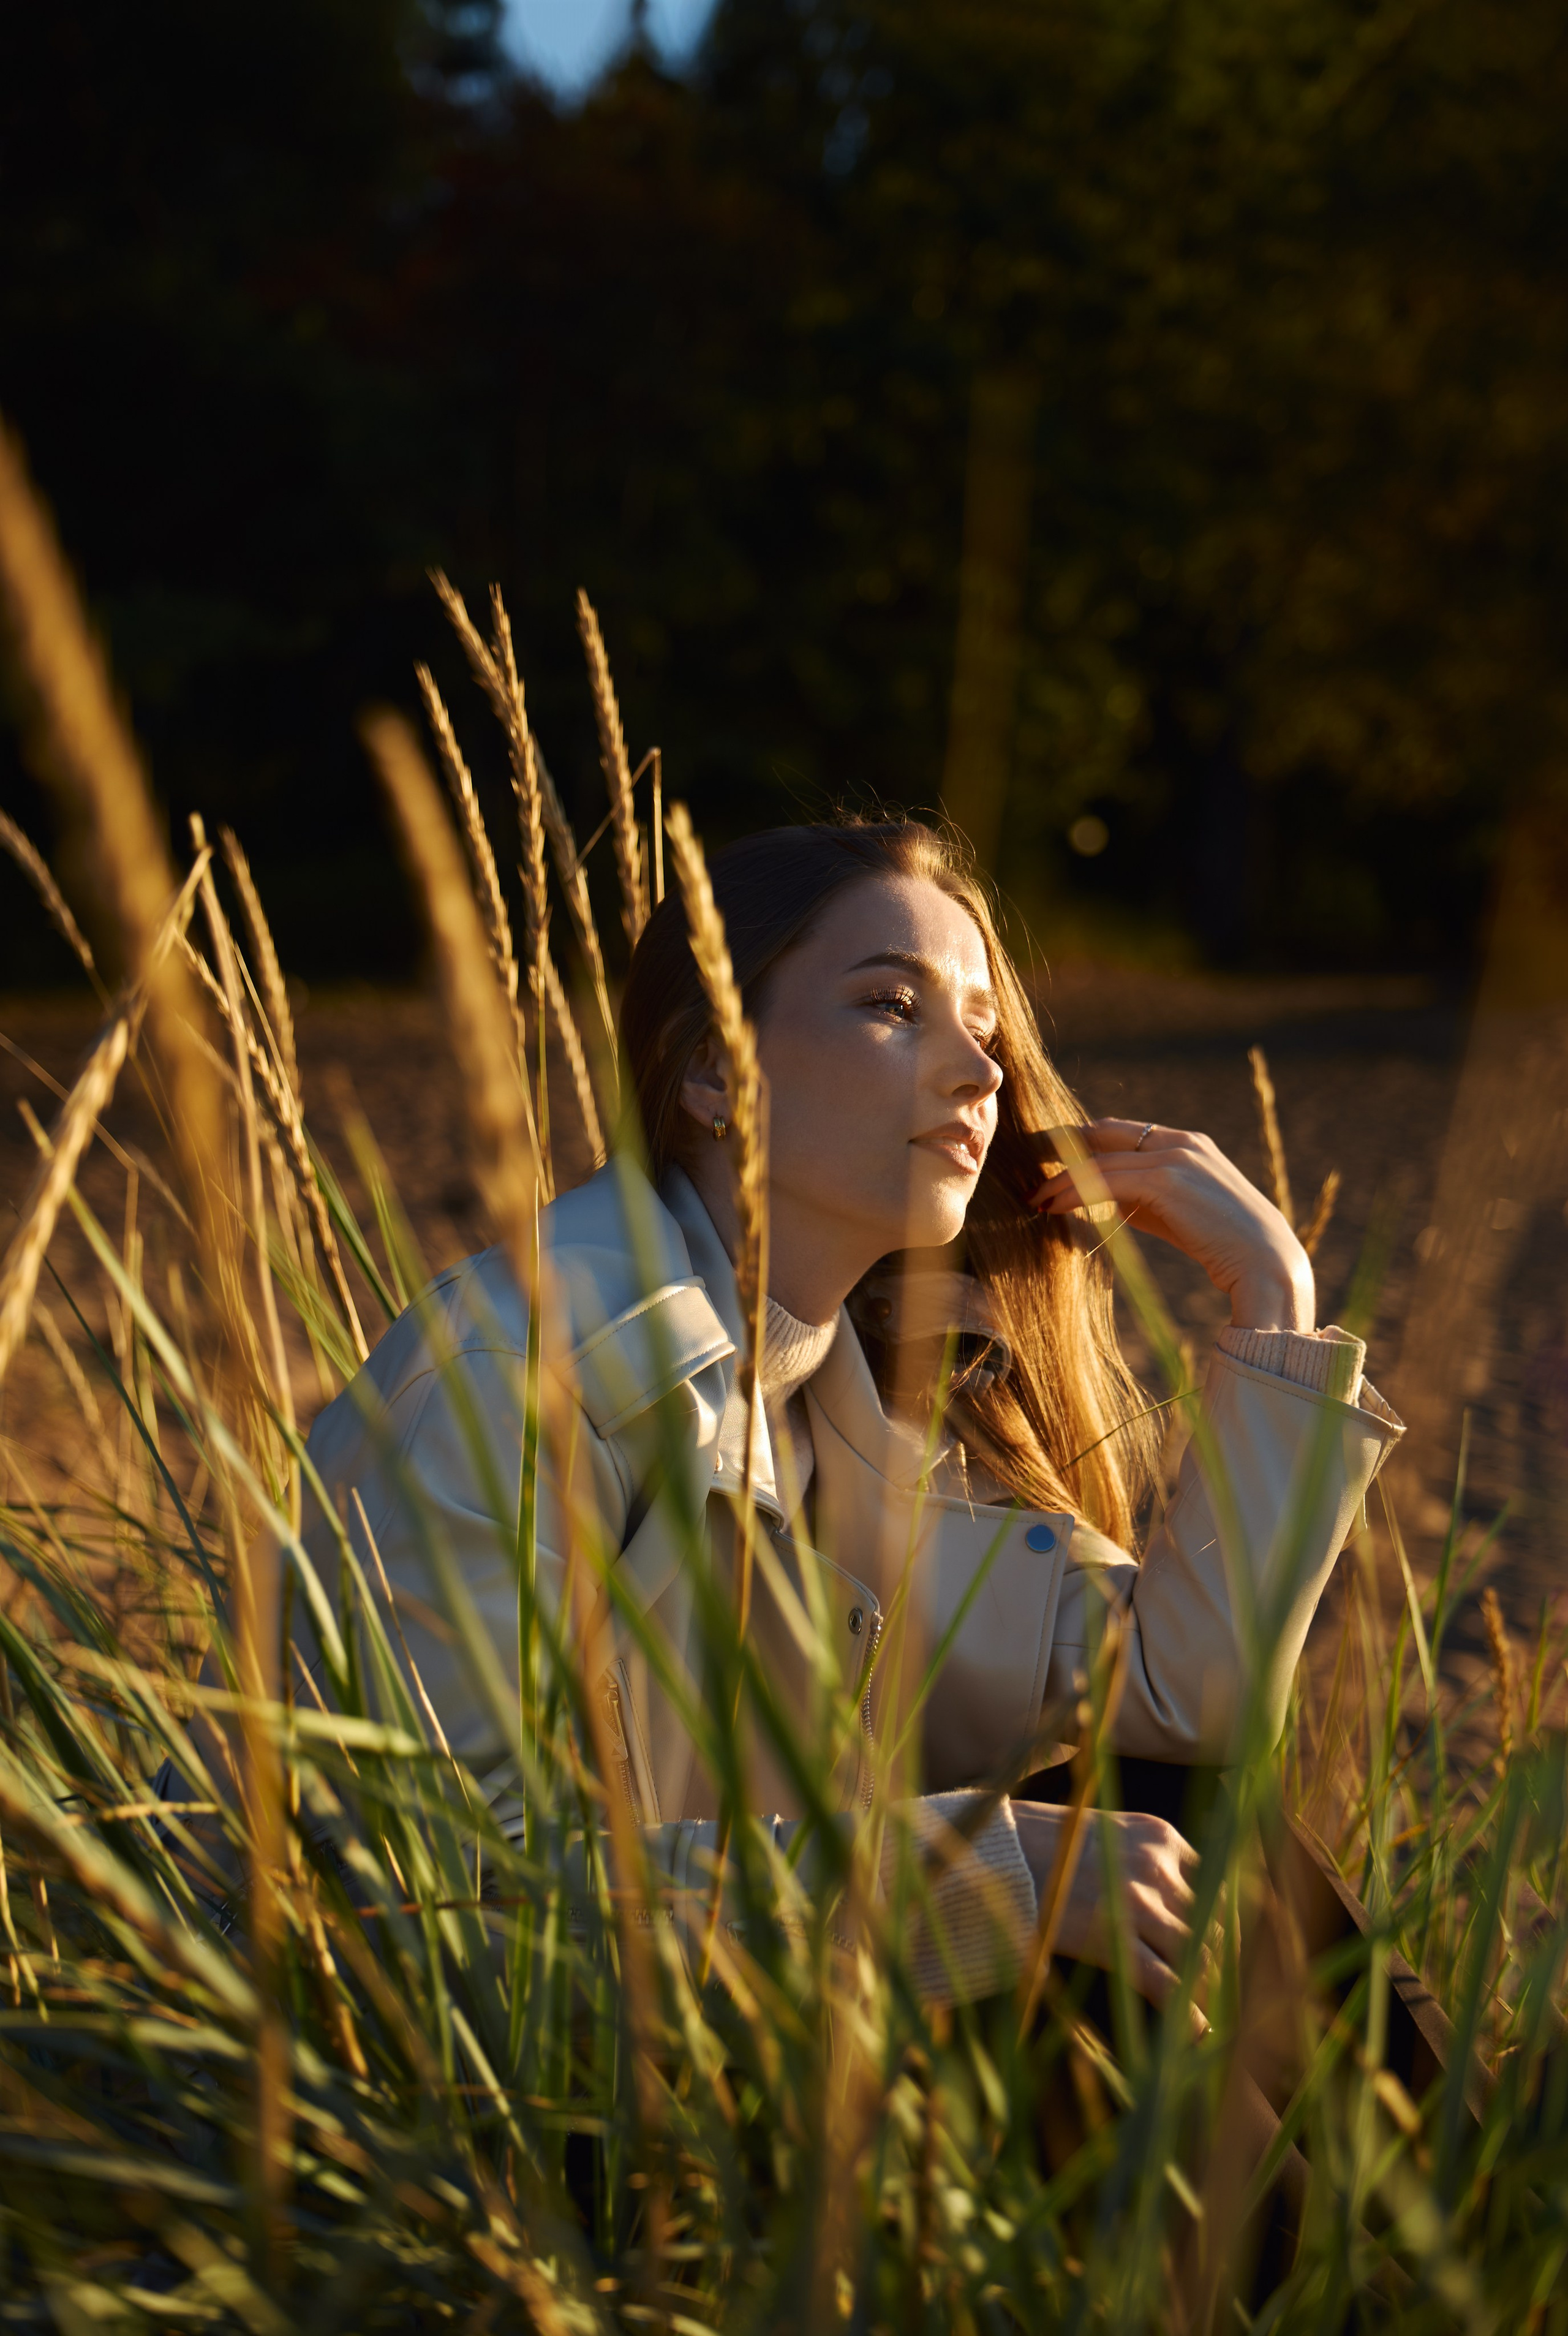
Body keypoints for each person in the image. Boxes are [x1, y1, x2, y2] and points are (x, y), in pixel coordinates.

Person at [301, 820, 1401, 2005]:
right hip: (481, 2078)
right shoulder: (529, 1375)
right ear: (715, 1068)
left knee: (1195, 1819)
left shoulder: (878, 1388)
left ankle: (1444, 2136)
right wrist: (978, 1874)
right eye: (893, 1004)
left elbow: (1194, 1708)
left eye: (984, 1029)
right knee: (1076, 1881)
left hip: (747, 2030)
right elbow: (442, 1899)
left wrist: (1274, 1302)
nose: (982, 1073)